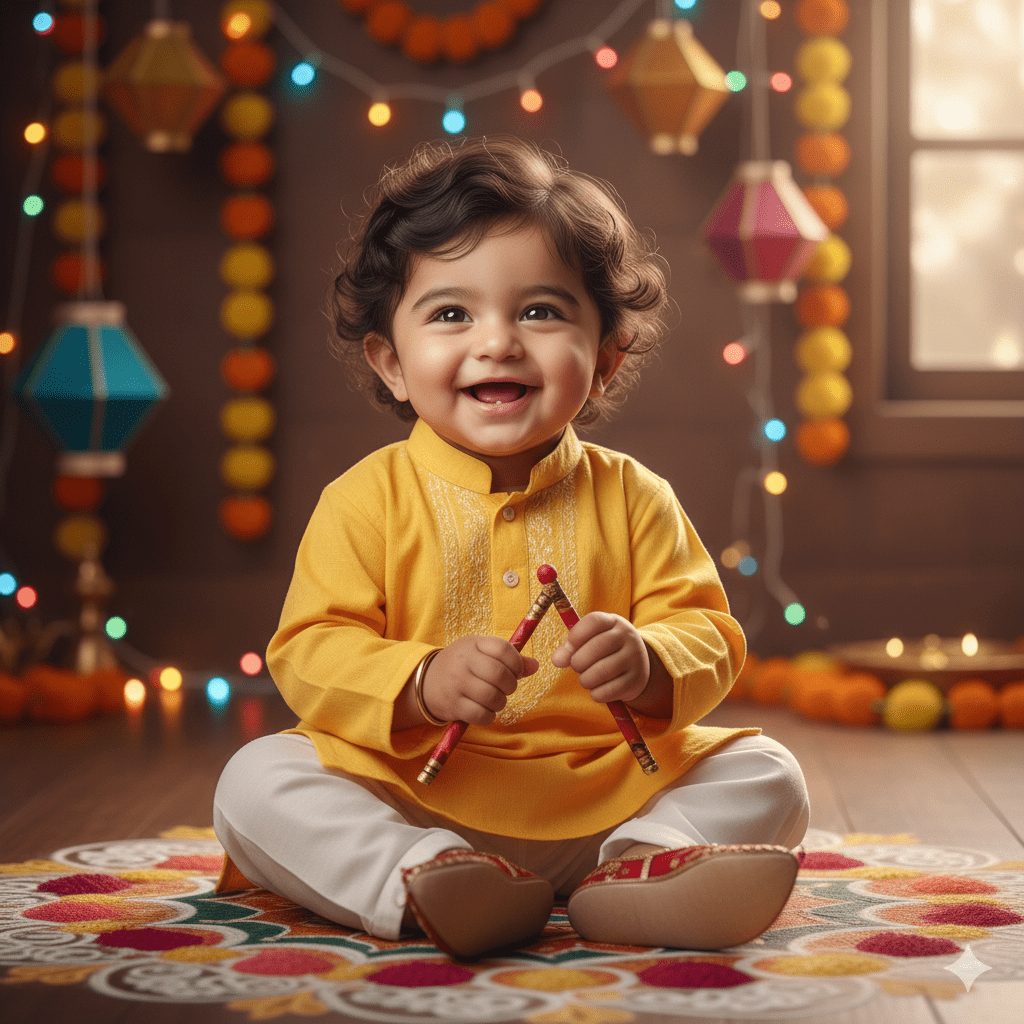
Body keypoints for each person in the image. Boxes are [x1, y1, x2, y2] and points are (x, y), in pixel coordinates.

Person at [213, 136, 809, 961]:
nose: (497, 342)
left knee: (769, 770)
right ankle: (431, 878)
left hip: (609, 801)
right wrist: (419, 680)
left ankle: (644, 877)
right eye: (452, 313)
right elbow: (309, 652)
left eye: (540, 311)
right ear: (391, 362)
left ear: (603, 360)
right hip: (420, 798)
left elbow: (708, 634)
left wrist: (649, 661)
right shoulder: (363, 500)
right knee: (255, 783)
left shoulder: (636, 497)